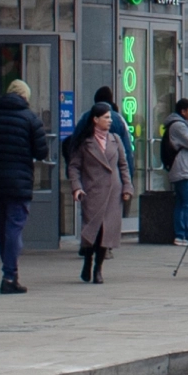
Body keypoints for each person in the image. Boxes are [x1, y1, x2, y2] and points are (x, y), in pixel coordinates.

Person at [0, 79, 48, 294]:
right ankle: (9, 275)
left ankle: (9, 272)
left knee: (2, 227)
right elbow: (41, 152)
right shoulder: (31, 119)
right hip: (20, 182)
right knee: (14, 227)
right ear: (26, 97)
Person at [69, 95, 131, 283]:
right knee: (92, 230)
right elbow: (74, 167)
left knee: (107, 231)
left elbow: (123, 165)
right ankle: (87, 262)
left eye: (110, 118)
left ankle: (98, 269)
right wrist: (77, 188)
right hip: (92, 191)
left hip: (113, 192)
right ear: (95, 119)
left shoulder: (115, 139)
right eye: (106, 117)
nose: (109, 121)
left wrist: (127, 187)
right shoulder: (85, 142)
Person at [160, 98, 188, 248]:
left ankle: (181, 235)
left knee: (182, 202)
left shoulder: (179, 124)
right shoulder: (178, 125)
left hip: (181, 169)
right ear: (183, 111)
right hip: (183, 170)